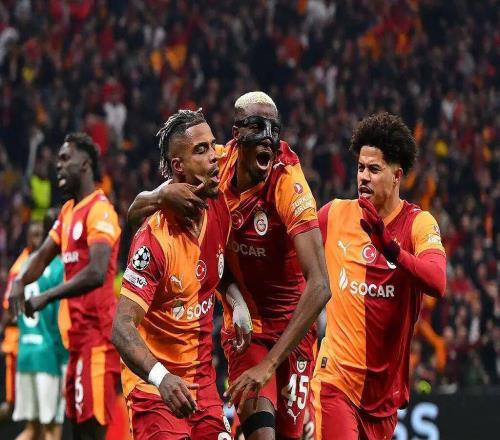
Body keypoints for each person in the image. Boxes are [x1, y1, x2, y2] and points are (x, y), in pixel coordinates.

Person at [128, 92, 331, 439]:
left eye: (274, 129)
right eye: (257, 127)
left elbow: (321, 285)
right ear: (237, 135)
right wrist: (160, 195)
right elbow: (137, 213)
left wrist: (269, 365)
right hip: (246, 332)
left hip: (293, 329)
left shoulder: (289, 184)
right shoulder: (215, 166)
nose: (268, 137)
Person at [112, 109, 251, 440]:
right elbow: (121, 327)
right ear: (178, 166)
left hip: (203, 386)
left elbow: (217, 271)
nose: (214, 156)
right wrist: (161, 378)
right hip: (156, 392)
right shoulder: (154, 239)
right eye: (201, 150)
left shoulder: (218, 206)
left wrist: (237, 302)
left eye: (213, 146)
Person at [311, 112, 447, 440]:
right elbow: (292, 257)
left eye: (374, 170)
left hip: (383, 399)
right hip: (335, 382)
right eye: (360, 168)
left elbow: (437, 281)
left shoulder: (418, 224)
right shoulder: (334, 215)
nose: (363, 177)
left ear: (397, 175)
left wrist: (393, 251)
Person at [9, 133, 122, 440]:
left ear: (84, 164)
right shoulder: (68, 212)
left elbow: (97, 272)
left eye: (65, 159)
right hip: (75, 341)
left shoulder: (100, 210)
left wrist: (46, 296)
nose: (58, 166)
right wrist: (19, 281)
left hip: (98, 341)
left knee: (90, 433)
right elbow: (43, 255)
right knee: (75, 431)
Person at [9, 212, 67, 440]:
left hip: (25, 353)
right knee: (52, 431)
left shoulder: (23, 267)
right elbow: (62, 318)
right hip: (49, 357)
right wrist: (65, 360)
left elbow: (11, 313)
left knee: (31, 430)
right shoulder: (58, 267)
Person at [0, 221, 45, 423]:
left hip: (37, 342)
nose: (38, 239)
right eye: (34, 235)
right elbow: (9, 309)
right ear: (27, 238)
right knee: (14, 405)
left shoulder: (45, 262)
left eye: (41, 235)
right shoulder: (19, 268)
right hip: (18, 342)